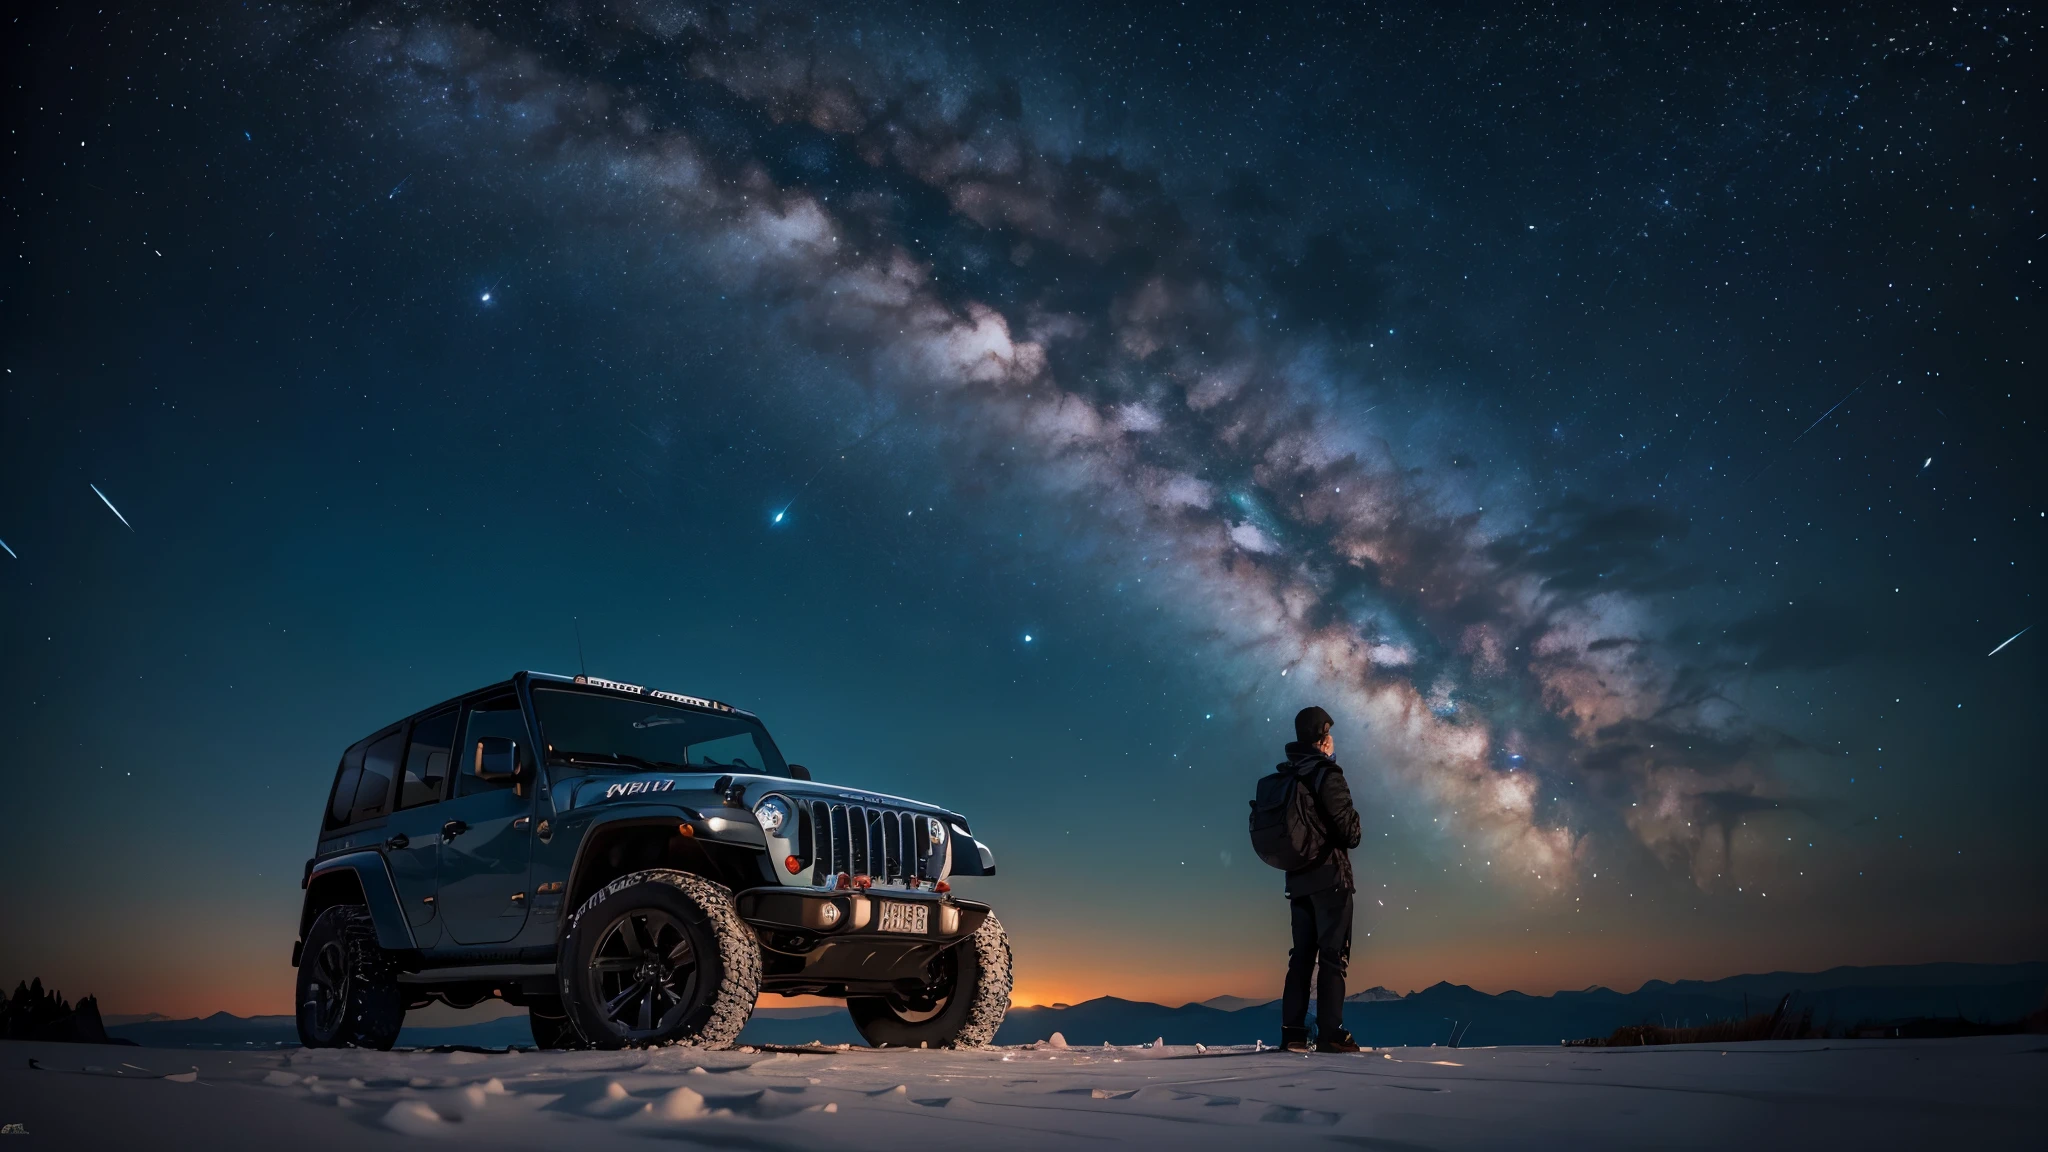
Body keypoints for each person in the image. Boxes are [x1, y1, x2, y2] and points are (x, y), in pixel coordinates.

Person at [1278, 705, 1363, 1053]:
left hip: (1298, 879)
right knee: (1332, 955)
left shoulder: (1288, 774)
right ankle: (1331, 1032)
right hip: (1330, 877)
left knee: (1301, 957)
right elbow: (1351, 832)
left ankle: (1293, 1033)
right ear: (1322, 737)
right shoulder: (1326, 773)